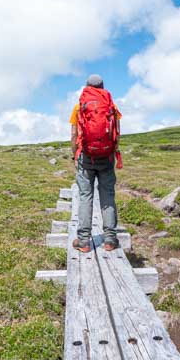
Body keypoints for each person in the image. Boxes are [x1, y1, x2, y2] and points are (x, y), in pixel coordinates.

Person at [70, 74, 122, 253]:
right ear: (103, 86)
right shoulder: (111, 107)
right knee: (108, 195)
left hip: (86, 158)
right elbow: (117, 133)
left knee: (85, 196)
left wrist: (75, 155)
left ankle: (84, 241)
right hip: (106, 158)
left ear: (86, 86)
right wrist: (111, 153)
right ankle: (109, 240)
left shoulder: (79, 107)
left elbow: (74, 135)